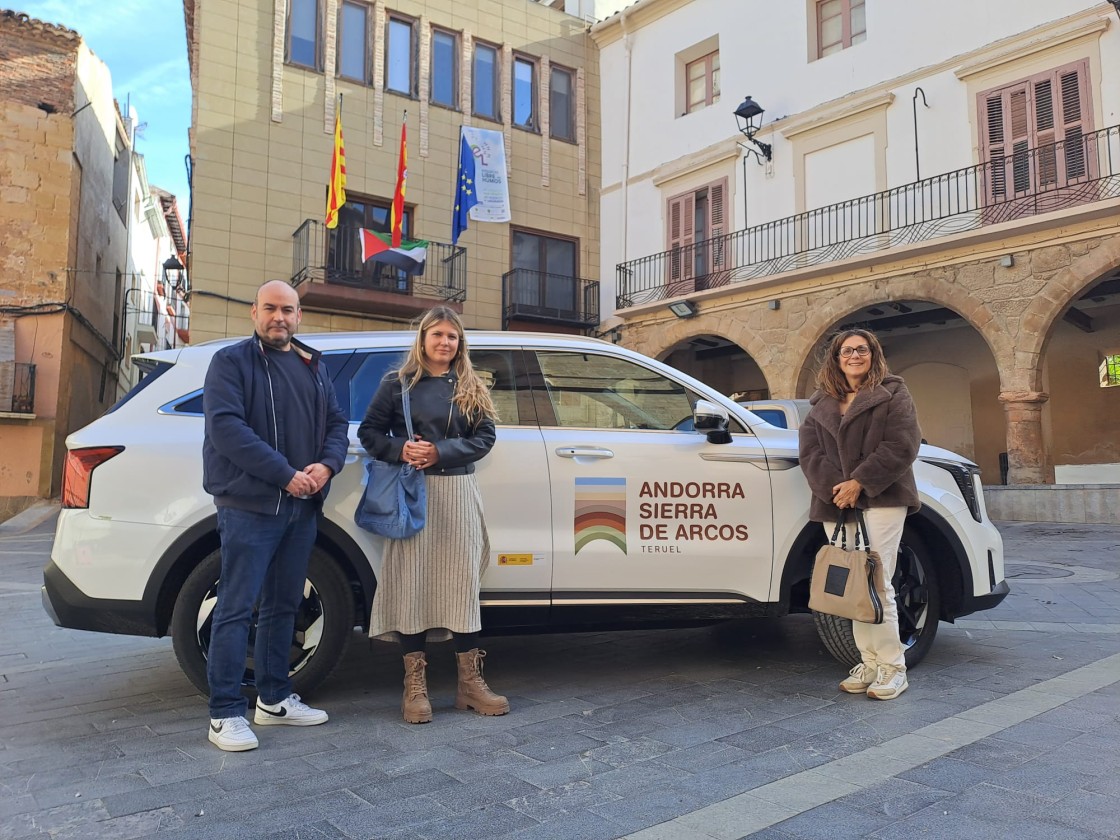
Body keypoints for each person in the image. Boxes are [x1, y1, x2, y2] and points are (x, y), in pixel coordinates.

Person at [201, 280, 349, 751]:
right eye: (270, 308)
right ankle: (224, 713)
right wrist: (285, 475)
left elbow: (337, 424)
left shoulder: (312, 366)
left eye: (287, 310)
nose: (279, 318)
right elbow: (226, 429)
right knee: (236, 608)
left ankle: (274, 700)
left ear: (299, 315)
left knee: (284, 605)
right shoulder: (230, 362)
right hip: (250, 506)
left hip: (302, 508)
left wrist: (326, 465)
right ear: (254, 312)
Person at [358, 306, 505, 724]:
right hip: (412, 494)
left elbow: (485, 437)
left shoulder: (472, 385)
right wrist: (401, 449)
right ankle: (414, 686)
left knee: (461, 585)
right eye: (437, 334)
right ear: (422, 338)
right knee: (413, 584)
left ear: (461, 344)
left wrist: (440, 450)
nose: (445, 342)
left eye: (452, 336)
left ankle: (469, 685)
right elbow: (368, 432)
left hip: (458, 491)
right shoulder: (397, 384)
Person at [798, 328, 922, 701]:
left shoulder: (893, 392)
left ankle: (893, 666)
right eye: (847, 350)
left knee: (878, 581)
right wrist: (837, 488)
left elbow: (902, 444)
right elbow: (809, 451)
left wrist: (860, 483)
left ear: (873, 354)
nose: (855, 355)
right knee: (852, 585)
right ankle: (868, 661)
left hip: (883, 498)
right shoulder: (820, 401)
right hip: (835, 502)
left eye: (862, 349)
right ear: (836, 358)